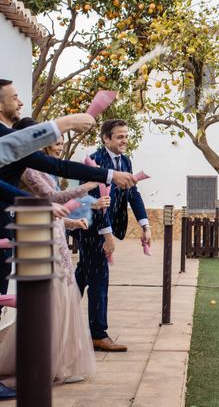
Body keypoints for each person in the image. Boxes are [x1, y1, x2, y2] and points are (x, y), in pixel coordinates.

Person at [0, 79, 137, 295]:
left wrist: (110, 175)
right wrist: (69, 122)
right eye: (14, 97)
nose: (21, 102)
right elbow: (51, 190)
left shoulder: (17, 145)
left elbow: (60, 167)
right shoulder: (9, 140)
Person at [0, 118, 110, 385]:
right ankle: (43, 363)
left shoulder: (39, 165)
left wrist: (73, 220)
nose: (57, 145)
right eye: (54, 140)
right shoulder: (26, 165)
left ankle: (58, 360)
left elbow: (55, 205)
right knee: (48, 298)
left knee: (61, 295)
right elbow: (50, 199)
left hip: (55, 232)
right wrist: (88, 188)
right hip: (39, 236)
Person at [73, 119, 151, 352]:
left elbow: (133, 194)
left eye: (126, 136)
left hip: (104, 228)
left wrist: (145, 224)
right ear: (106, 138)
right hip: (91, 228)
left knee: (82, 277)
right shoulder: (95, 162)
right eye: (119, 136)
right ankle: (98, 334)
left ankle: (57, 319)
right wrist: (107, 236)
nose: (124, 140)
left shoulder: (125, 160)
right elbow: (98, 202)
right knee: (99, 279)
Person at [0, 113, 95, 167]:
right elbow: (51, 195)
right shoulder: (31, 166)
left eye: (62, 144)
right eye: (57, 144)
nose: (61, 148)